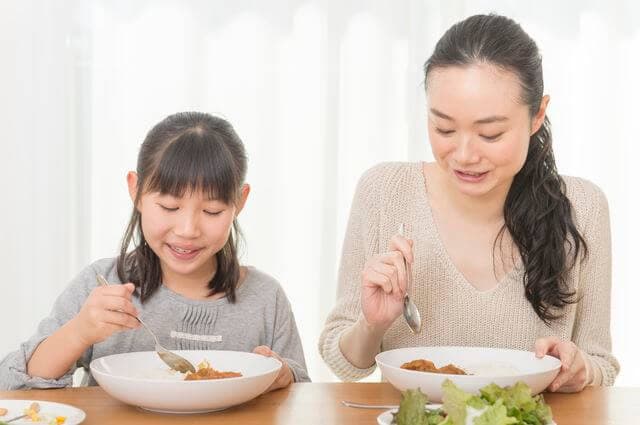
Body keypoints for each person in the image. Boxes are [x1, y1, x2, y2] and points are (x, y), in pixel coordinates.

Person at [319, 14, 619, 392]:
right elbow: (346, 363)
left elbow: (601, 365)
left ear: (537, 115)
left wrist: (580, 369)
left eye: (490, 134)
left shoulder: (584, 207)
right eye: (444, 128)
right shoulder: (383, 190)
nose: (463, 155)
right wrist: (373, 323)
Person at [0, 112, 309, 390]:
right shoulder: (101, 283)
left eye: (212, 211)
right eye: (169, 206)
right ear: (136, 191)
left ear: (239, 202)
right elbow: (11, 384)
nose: (188, 229)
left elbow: (303, 393)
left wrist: (282, 375)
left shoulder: (267, 299)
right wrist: (79, 333)